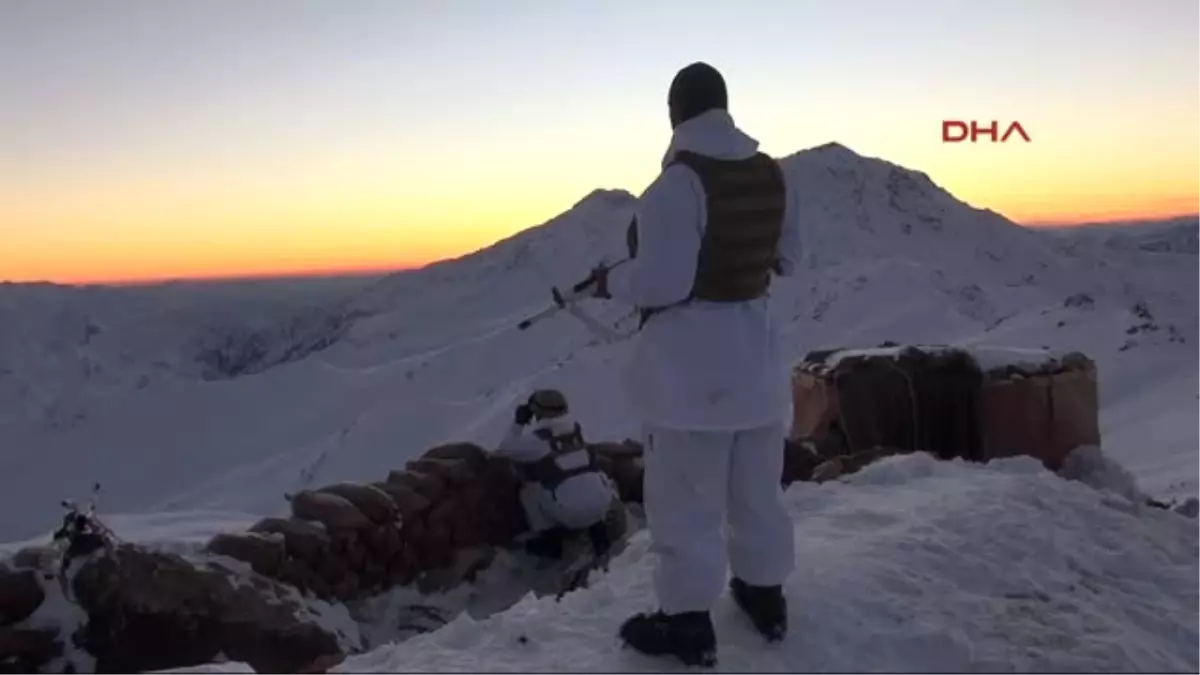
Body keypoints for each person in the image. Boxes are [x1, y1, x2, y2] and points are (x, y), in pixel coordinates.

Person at [590, 62, 804, 667]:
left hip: (688, 381)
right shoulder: (772, 175)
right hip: (757, 370)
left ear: (675, 112)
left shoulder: (675, 187)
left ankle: (686, 622)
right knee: (757, 491)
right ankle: (765, 596)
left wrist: (613, 281)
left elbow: (663, 283)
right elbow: (789, 259)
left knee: (684, 504)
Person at [495, 389, 619, 562]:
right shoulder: (577, 429)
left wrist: (519, 423)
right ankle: (598, 532)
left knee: (529, 490)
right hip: (602, 507)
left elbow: (504, 450)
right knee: (588, 473)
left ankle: (551, 541)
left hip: (572, 516)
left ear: (536, 412)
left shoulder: (537, 440)